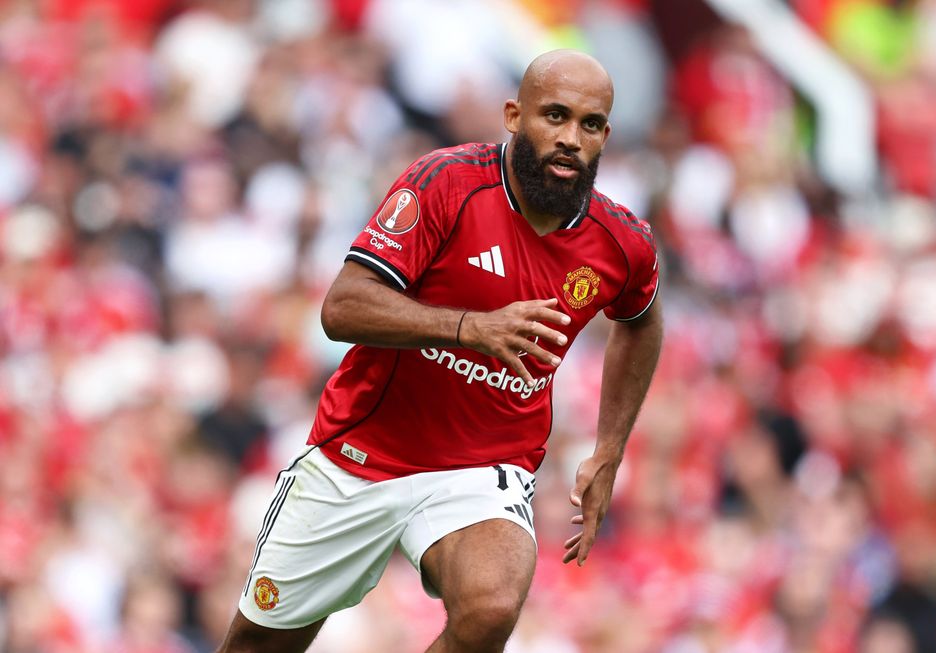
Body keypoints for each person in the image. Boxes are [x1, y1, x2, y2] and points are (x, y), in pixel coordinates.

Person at [216, 49, 663, 653]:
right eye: (553, 116)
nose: (569, 139)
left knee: (491, 607)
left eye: (588, 125)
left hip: (483, 467)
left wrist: (609, 449)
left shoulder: (623, 242)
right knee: (255, 645)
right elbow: (342, 308)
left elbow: (639, 321)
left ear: (605, 135)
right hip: (363, 451)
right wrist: (470, 329)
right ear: (513, 115)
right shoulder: (445, 183)